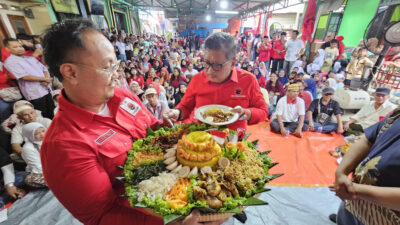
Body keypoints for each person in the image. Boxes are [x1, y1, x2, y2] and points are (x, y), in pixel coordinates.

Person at [40, 19, 221, 225]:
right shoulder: (64, 145)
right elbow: (101, 216)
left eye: (115, 64)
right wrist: (172, 223)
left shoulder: (124, 98)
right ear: (71, 72)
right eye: (107, 67)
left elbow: (155, 131)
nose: (117, 74)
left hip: (184, 191)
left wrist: (174, 130)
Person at [165, 32, 268, 131]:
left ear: (232, 63)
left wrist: (245, 113)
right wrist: (177, 112)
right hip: (201, 137)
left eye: (216, 65)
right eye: (207, 63)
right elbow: (185, 106)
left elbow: (263, 111)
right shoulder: (197, 79)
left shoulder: (248, 80)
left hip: (232, 141)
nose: (209, 71)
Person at [330, 107, 400, 225]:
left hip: (387, 216)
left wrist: (357, 191)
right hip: (354, 199)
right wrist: (340, 173)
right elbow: (368, 140)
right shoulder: (397, 113)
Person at [3, 38, 55, 119]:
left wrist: (47, 78)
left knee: (53, 111)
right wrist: (44, 79)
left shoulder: (30, 58)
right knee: (43, 116)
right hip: (34, 93)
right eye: (15, 47)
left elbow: (44, 69)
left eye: (20, 46)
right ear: (7, 49)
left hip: (46, 88)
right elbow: (24, 77)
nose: (20, 48)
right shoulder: (9, 62)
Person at [21, 122, 47, 188]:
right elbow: (38, 167)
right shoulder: (28, 148)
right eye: (37, 134)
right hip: (42, 172)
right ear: (30, 135)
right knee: (31, 179)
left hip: (57, 167)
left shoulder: (49, 139)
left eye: (43, 131)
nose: (42, 134)